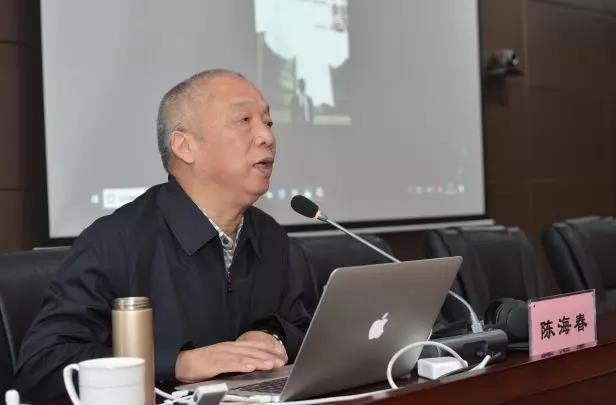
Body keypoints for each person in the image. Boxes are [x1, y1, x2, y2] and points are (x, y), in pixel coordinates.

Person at [15, 69, 311, 401]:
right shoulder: (115, 244)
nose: (266, 136)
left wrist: (274, 337)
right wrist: (176, 363)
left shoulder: (272, 238)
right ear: (185, 146)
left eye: (268, 122)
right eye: (244, 120)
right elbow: (41, 367)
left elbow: (307, 328)